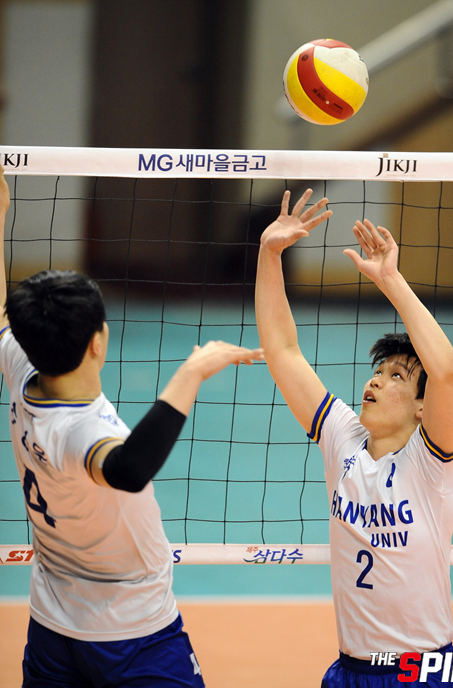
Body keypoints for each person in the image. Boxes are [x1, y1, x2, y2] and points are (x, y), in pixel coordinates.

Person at [0, 167, 264, 688]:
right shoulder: (78, 431)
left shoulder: (21, 364)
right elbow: (128, 469)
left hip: (52, 624)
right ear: (98, 342)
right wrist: (192, 372)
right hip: (132, 631)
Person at [255, 188, 453, 687]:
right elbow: (283, 351)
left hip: (424, 673)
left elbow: (444, 373)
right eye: (378, 371)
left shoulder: (432, 463)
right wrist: (269, 255)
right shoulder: (343, 438)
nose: (375, 381)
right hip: (351, 671)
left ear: (422, 408)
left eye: (397, 376)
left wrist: (391, 281)